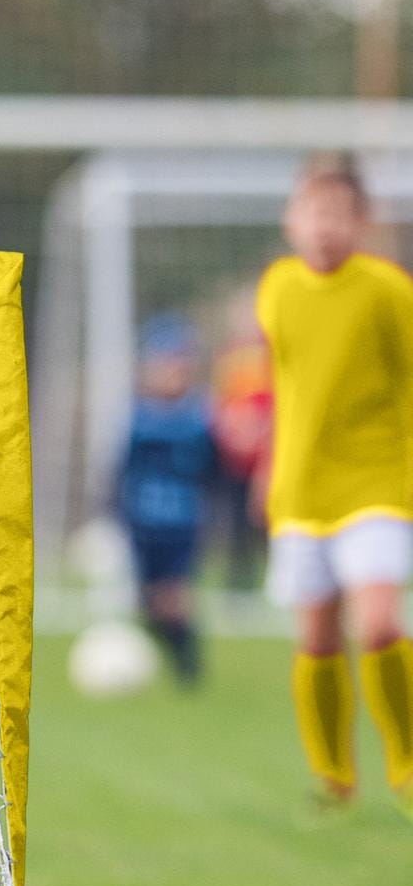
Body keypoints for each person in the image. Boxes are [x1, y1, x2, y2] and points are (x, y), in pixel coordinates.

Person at [257, 156, 413, 811]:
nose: (324, 227)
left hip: (378, 481)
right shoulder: (278, 291)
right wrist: (269, 463)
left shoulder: (387, 291)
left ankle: (405, 764)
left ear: (361, 222)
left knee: (376, 623)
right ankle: (334, 778)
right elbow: (288, 387)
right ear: (293, 220)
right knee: (316, 638)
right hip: (301, 490)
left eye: (337, 215)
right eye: (312, 213)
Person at [116, 314, 216, 684]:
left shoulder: (200, 417)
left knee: (175, 596)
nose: (173, 372)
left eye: (180, 364)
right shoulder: (136, 418)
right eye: (165, 364)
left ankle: (189, 668)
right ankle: (171, 649)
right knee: (148, 602)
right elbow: (119, 471)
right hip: (143, 524)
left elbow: (214, 471)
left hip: (181, 524)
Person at [209, 290, 274, 592]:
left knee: (267, 521)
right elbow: (221, 404)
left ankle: (276, 580)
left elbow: (277, 403)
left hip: (265, 457)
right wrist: (233, 431)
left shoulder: (270, 354)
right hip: (235, 458)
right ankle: (240, 584)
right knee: (235, 522)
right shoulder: (229, 357)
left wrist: (261, 432)